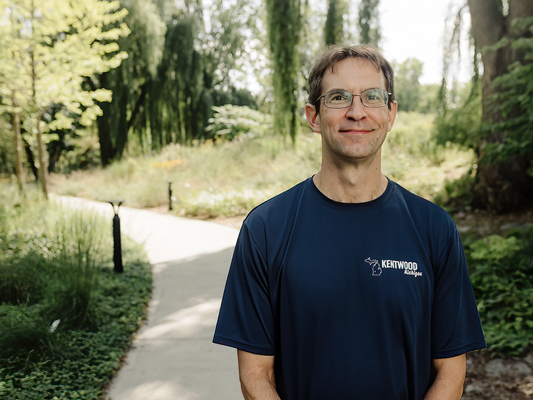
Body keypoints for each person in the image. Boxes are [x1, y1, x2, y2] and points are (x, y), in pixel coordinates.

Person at [213, 44, 486, 400]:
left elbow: (450, 372)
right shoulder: (265, 230)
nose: (356, 112)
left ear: (391, 114)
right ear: (313, 116)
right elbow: (255, 375)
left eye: (372, 97)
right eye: (339, 97)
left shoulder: (434, 228)